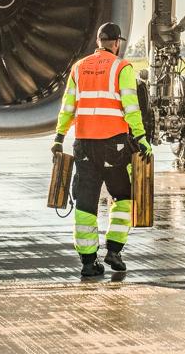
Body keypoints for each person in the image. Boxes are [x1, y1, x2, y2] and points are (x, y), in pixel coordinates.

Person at [52, 22, 152, 278]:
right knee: (124, 197)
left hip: (84, 145)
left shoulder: (79, 67)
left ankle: (88, 262)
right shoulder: (122, 68)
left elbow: (67, 107)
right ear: (117, 43)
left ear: (98, 41)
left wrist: (59, 137)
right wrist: (141, 137)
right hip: (113, 147)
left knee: (85, 204)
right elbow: (131, 108)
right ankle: (114, 251)